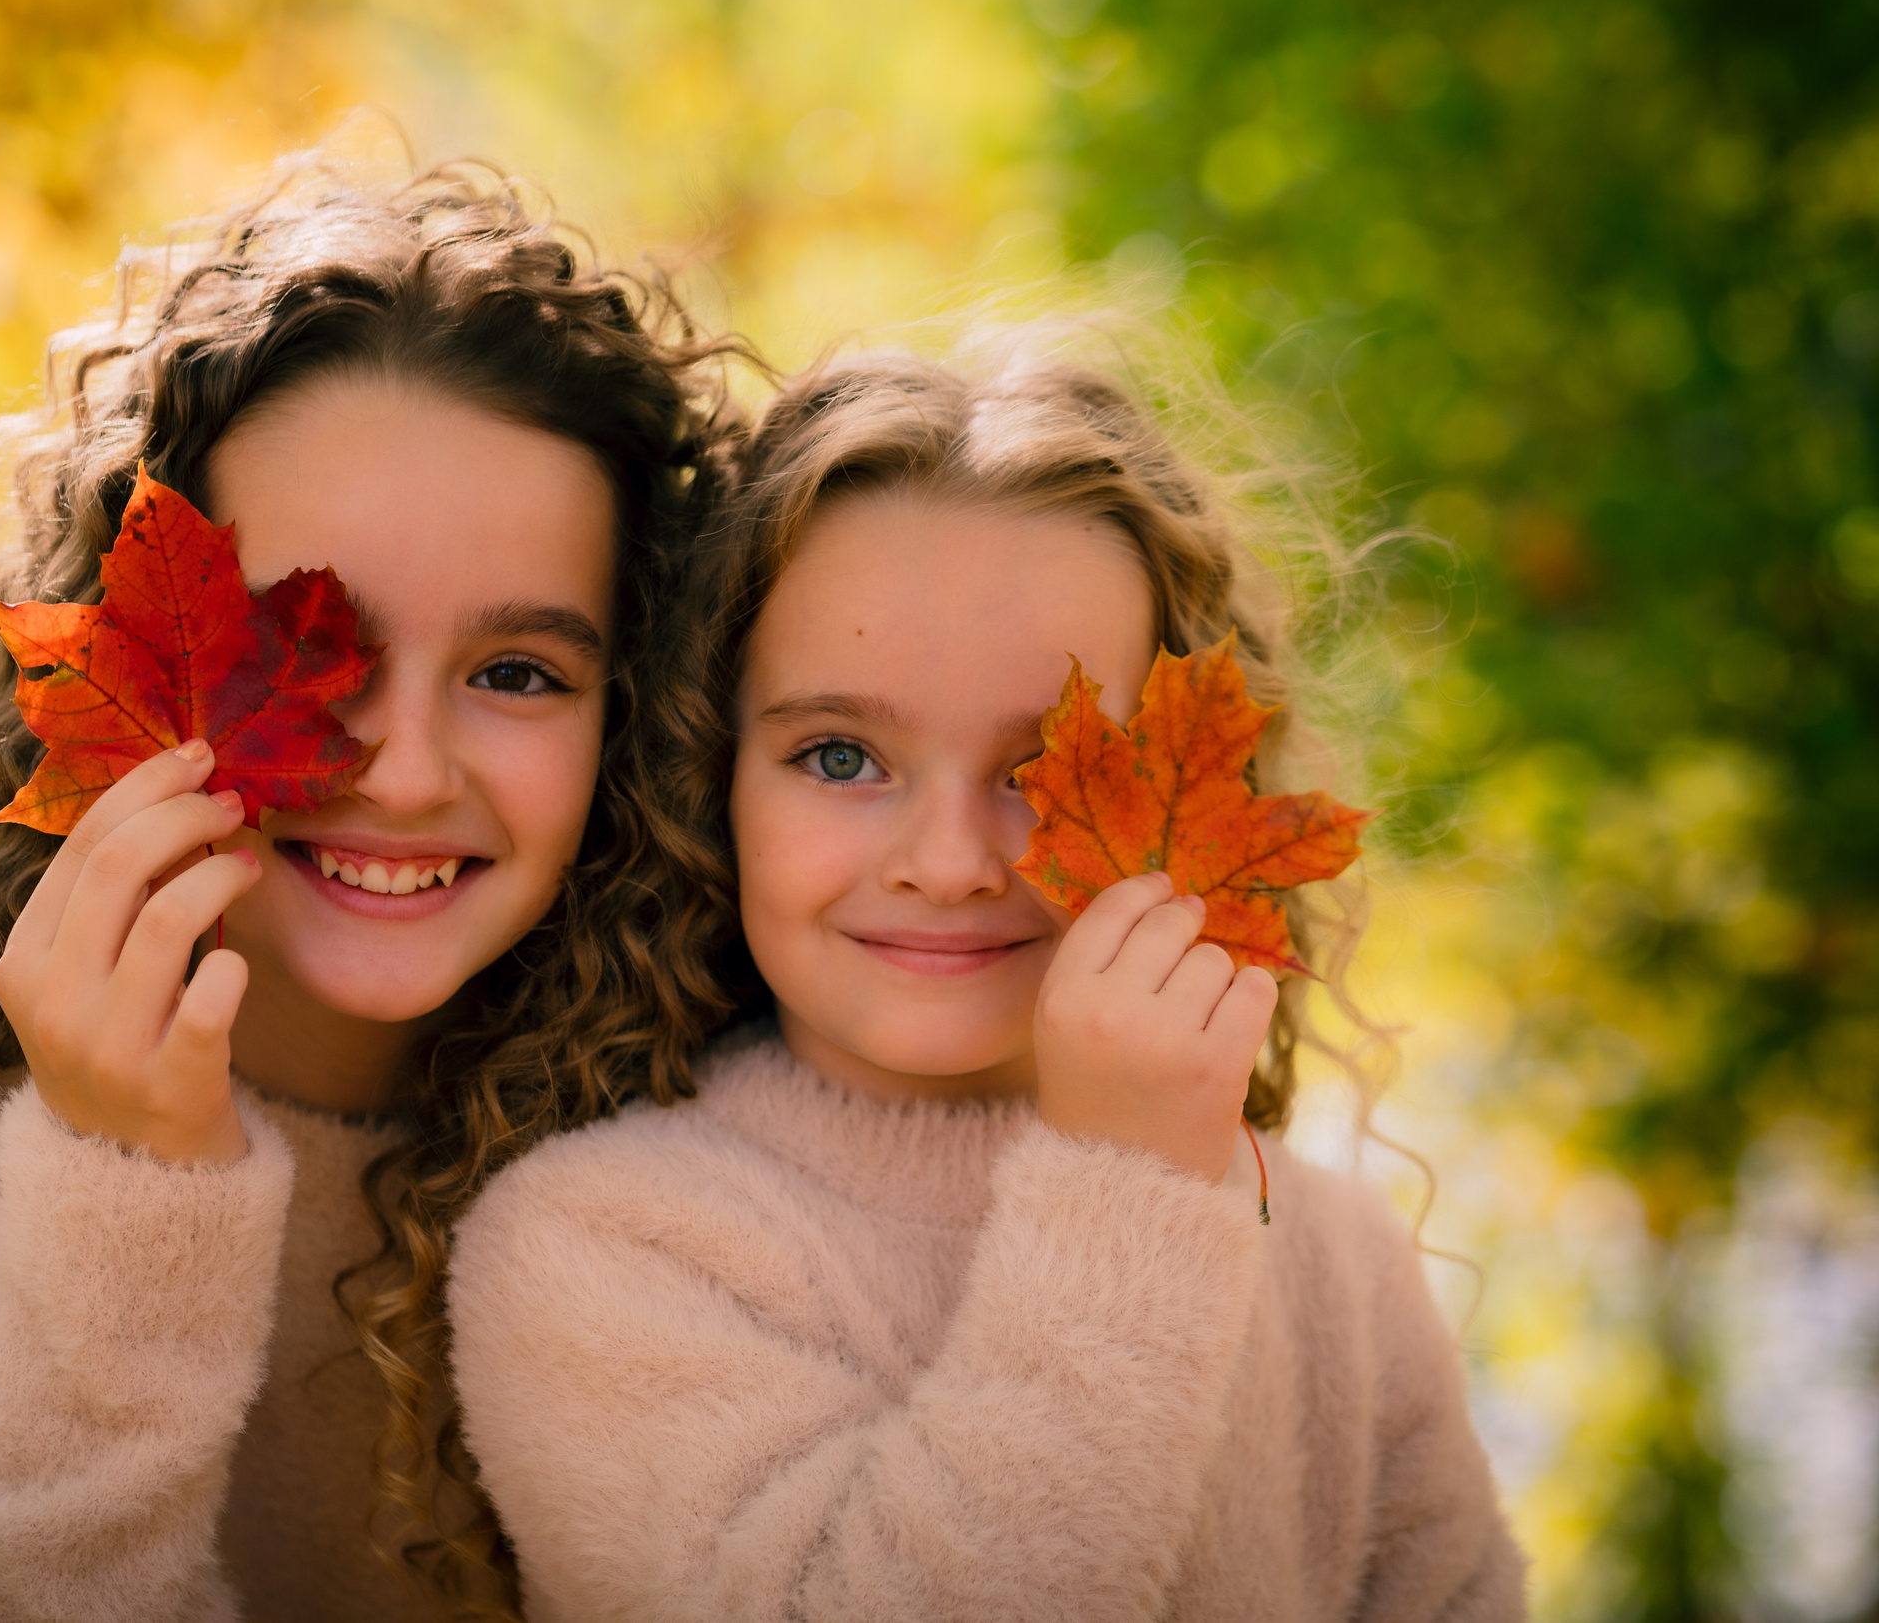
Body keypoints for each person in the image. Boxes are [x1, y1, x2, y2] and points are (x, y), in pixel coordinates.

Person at [0, 160, 745, 1623]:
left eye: (518, 672)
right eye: (311, 646)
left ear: (638, 706)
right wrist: (125, 1187)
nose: (406, 770)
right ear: (130, 654)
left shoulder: (691, 1111)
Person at [445, 347, 1528, 1620]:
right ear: (710, 780)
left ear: (1196, 796)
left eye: (1041, 769)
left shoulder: (1336, 1264)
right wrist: (1120, 1193)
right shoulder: (600, 1246)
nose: (951, 864)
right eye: (840, 755)